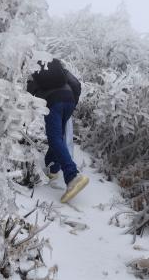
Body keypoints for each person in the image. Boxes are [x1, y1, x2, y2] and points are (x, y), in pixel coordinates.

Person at [26, 58, 89, 203]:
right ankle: (52, 169)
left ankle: (73, 176)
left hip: (53, 101)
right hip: (69, 99)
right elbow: (76, 83)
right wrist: (71, 102)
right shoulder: (55, 65)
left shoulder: (31, 70)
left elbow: (27, 96)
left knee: (54, 138)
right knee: (58, 137)